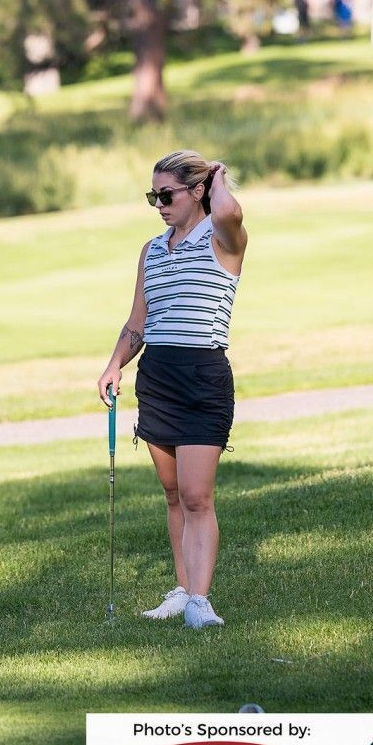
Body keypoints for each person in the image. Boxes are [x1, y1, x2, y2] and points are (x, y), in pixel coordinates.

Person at [97, 150, 247, 629]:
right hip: (157, 376)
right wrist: (114, 364)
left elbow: (230, 213)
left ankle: (201, 603)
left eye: (167, 195)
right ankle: (184, 590)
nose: (159, 205)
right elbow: (138, 323)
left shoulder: (223, 240)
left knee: (198, 494)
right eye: (153, 196)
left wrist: (218, 177)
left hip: (202, 374)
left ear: (197, 192)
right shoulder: (151, 250)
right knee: (173, 494)